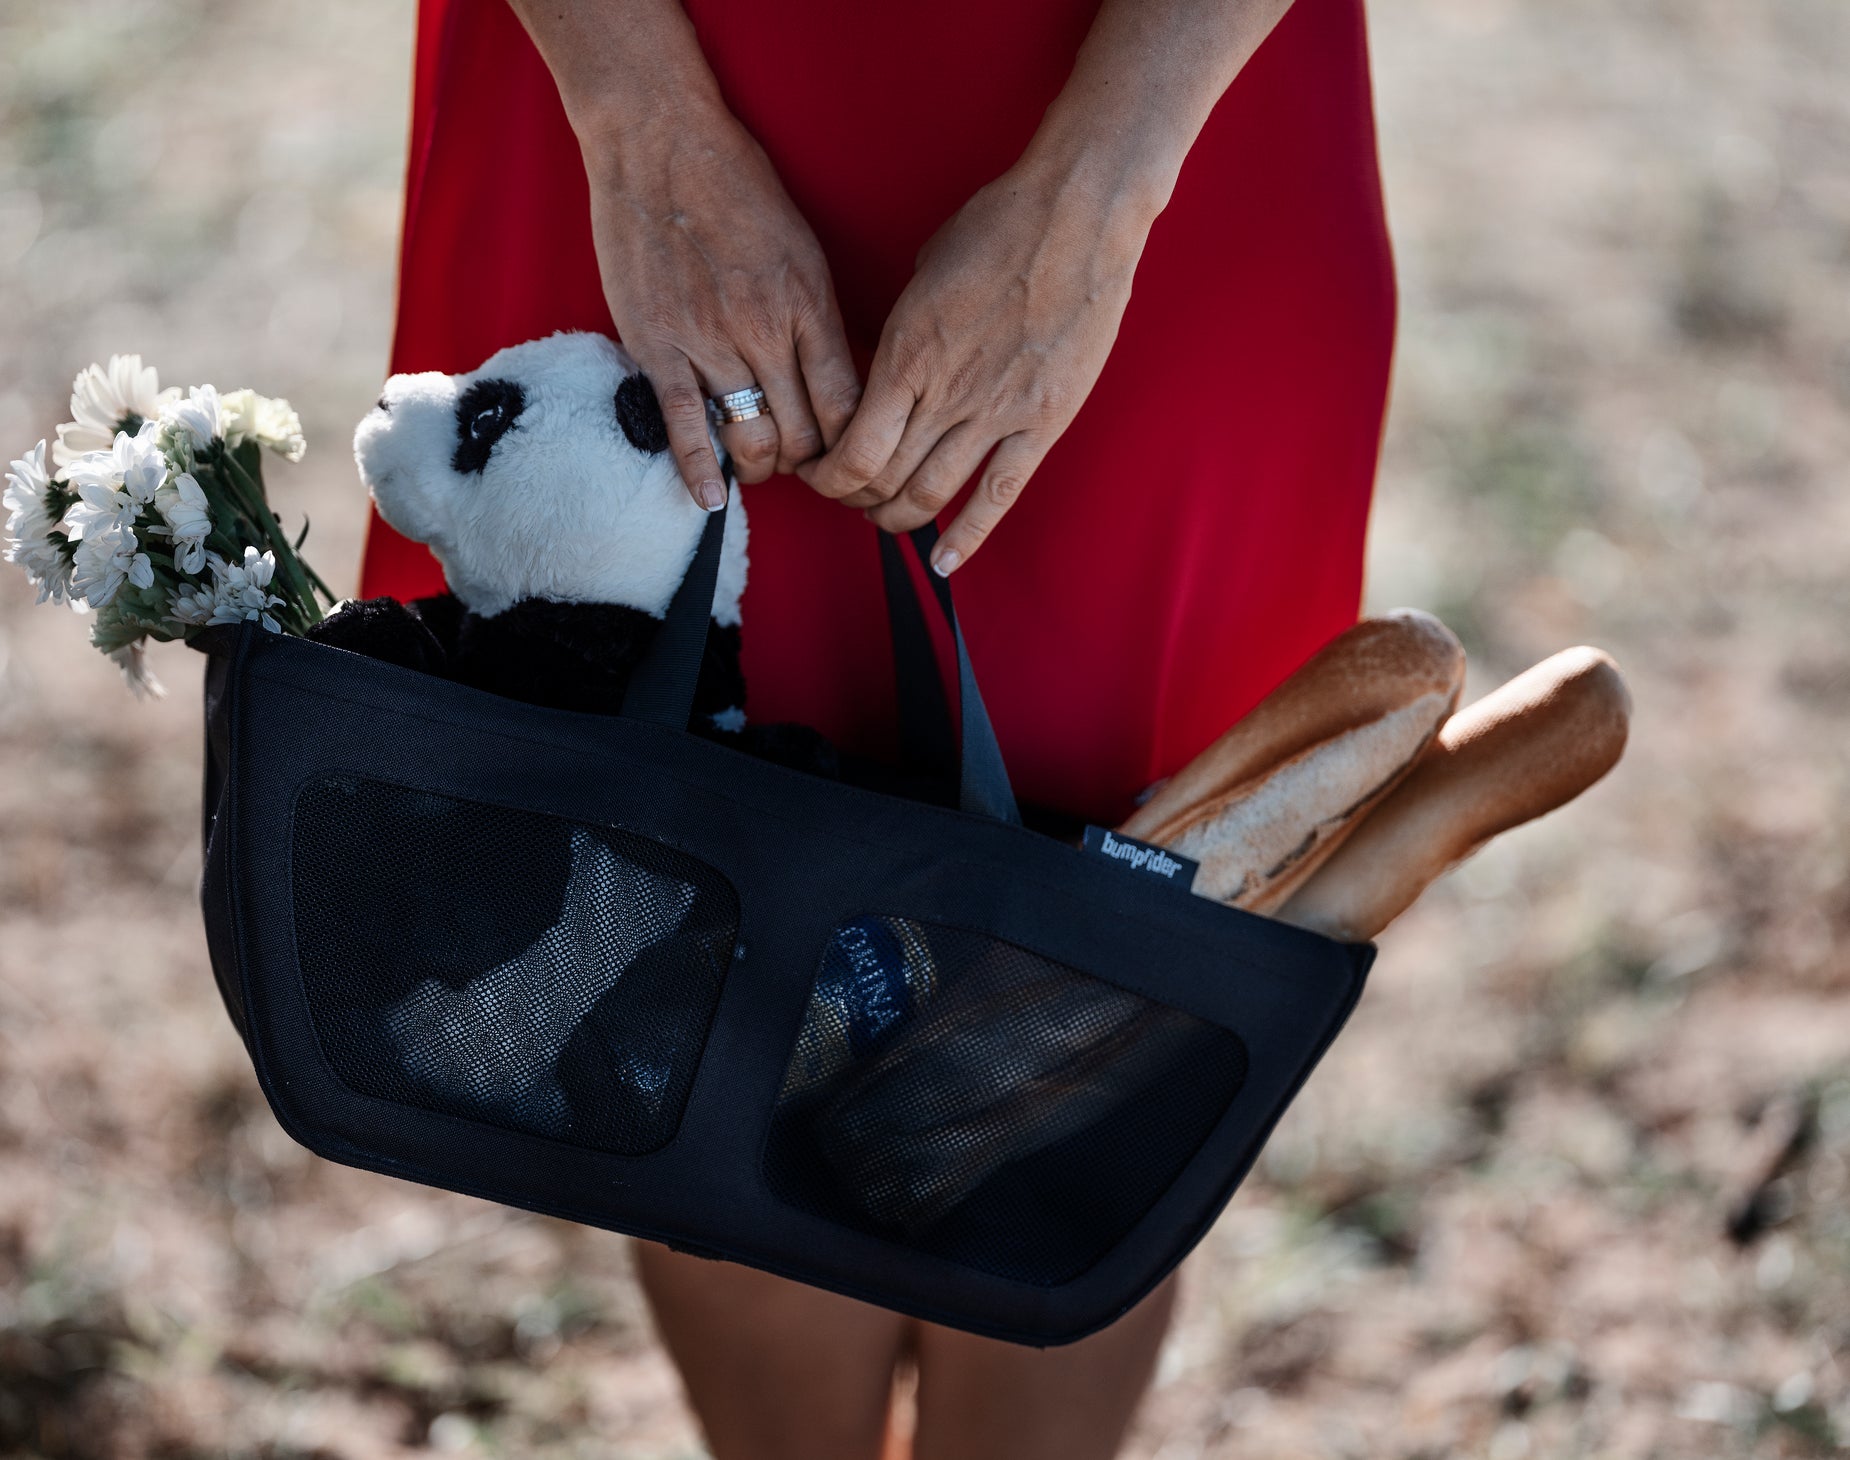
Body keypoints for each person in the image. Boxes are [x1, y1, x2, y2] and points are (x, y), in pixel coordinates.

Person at [360, 0, 1395, 1453]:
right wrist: (643, 121)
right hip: (639, 44)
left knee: (1119, 945)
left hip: (1165, 80)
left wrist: (1096, 193)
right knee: (678, 911)